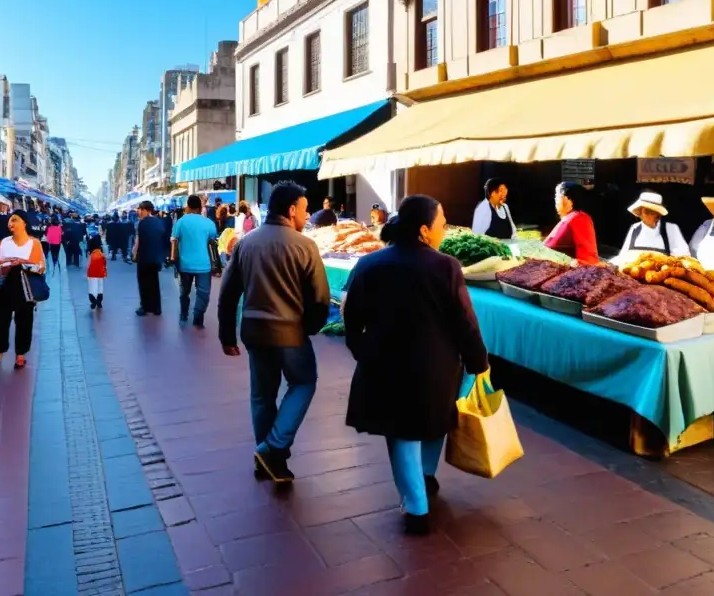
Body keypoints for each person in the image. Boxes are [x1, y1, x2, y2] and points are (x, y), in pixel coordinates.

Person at [343, 195, 489, 535]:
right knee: (434, 421)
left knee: (402, 432)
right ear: (424, 230)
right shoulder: (446, 266)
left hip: (386, 364)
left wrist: (362, 351)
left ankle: (416, 502)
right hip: (436, 366)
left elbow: (351, 317)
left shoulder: (370, 264)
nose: (444, 230)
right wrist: (477, 360)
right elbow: (465, 321)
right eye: (441, 224)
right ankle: (424, 482)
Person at [217, 181, 331, 483]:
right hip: (290, 331)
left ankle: (267, 459)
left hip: (254, 330)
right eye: (305, 210)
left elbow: (228, 295)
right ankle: (274, 447)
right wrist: (309, 328)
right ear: (292, 210)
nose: (307, 217)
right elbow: (320, 299)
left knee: (262, 395)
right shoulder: (305, 246)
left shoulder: (245, 243)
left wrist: (227, 336)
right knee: (304, 383)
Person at [0, 210, 46, 371]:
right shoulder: (2, 243)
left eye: (15, 220)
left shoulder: (34, 243)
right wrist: (3, 262)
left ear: (24, 223)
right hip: (2, 285)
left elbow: (41, 267)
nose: (10, 224)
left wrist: (22, 262)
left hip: (24, 285)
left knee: (24, 321)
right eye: (9, 221)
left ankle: (20, 354)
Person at [172, 195, 219, 328]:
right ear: (200, 207)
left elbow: (174, 240)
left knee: (184, 292)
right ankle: (198, 317)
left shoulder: (180, 222)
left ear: (188, 206)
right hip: (204, 264)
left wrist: (173, 258)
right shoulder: (208, 223)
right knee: (203, 293)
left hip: (185, 264)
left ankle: (183, 315)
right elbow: (213, 238)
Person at [615, 191, 690, 265]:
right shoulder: (635, 228)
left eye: (652, 212)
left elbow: (684, 257)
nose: (649, 215)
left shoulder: (671, 229)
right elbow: (623, 256)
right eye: (646, 212)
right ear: (640, 212)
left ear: (658, 215)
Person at [543, 182, 599, 265]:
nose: (555, 200)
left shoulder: (577, 218)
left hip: (577, 272)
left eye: (557, 196)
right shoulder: (574, 217)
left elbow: (588, 257)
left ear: (567, 199)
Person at [132, 201, 165, 316]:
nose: (139, 212)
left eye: (140, 210)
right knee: (154, 282)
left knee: (143, 283)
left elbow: (138, 240)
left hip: (144, 257)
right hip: (156, 257)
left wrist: (134, 253)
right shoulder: (159, 222)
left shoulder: (142, 223)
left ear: (146, 210)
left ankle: (145, 307)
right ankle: (156, 308)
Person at [87, 237, 108, 310]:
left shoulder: (91, 253)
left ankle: (93, 300)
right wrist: (105, 272)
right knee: (100, 286)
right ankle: (99, 300)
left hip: (92, 274)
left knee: (92, 287)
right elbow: (105, 264)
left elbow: (89, 264)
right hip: (100, 273)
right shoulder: (101, 253)